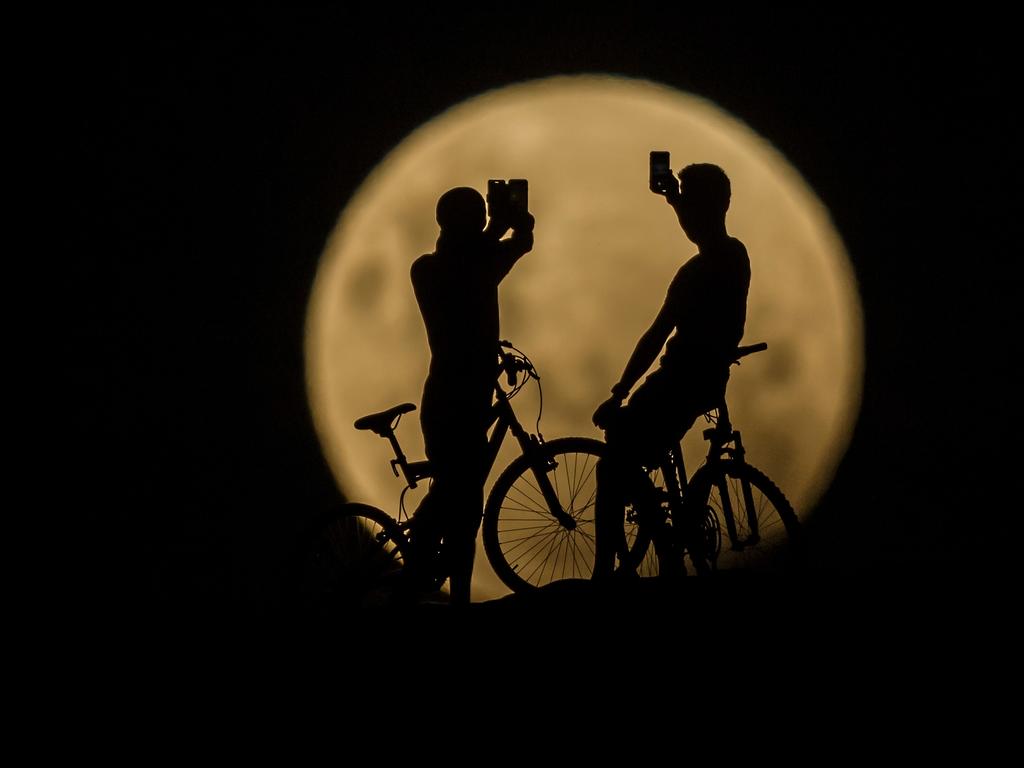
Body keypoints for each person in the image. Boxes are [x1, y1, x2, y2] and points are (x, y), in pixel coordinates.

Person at [591, 163, 750, 580]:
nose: (687, 219)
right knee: (642, 445)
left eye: (691, 205)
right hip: (708, 379)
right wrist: (676, 200)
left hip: (680, 381)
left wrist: (620, 390)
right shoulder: (736, 255)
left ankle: (606, 572)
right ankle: (664, 537)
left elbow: (656, 335)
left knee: (613, 462)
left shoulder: (698, 271)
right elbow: (705, 228)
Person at [409, 185, 534, 604]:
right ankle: (421, 570)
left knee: (461, 503)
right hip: (456, 401)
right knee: (460, 497)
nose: (485, 219)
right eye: (478, 213)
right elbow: (486, 261)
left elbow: (499, 254)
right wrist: (504, 224)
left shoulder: (451, 265)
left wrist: (506, 226)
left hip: (456, 397)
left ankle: (448, 588)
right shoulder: (442, 267)